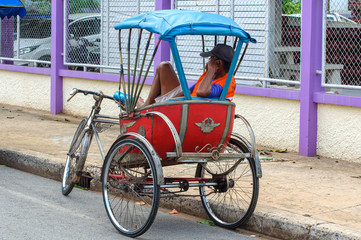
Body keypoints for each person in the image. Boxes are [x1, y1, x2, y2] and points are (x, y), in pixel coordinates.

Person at [137, 44, 237, 107]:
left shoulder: (225, 83)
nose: (208, 62)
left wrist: (211, 70)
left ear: (218, 63)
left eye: (210, 59)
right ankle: (147, 105)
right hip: (183, 102)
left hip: (186, 109)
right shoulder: (210, 76)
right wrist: (169, 100)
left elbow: (201, 92)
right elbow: (190, 90)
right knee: (164, 67)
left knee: (164, 66)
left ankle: (144, 105)